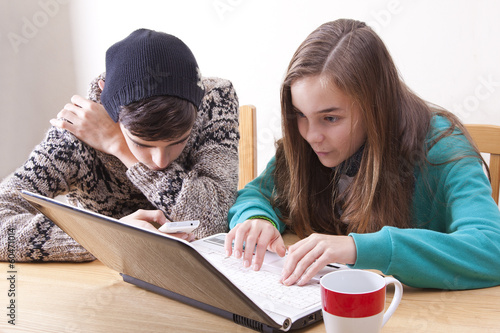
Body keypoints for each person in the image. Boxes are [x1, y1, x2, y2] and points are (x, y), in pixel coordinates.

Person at [225, 19, 500, 290]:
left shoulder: (443, 146)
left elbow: (491, 247)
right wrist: (255, 219)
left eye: (330, 118)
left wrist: (357, 248)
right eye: (300, 115)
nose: (311, 135)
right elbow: (256, 194)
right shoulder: (306, 143)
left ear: (375, 107)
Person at [0, 29, 239, 262]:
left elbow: (213, 222)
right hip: (106, 284)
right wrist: (111, 235)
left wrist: (122, 148)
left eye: (178, 142)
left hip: (195, 274)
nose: (161, 162)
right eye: (142, 143)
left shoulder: (215, 101)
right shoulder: (74, 137)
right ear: (108, 102)